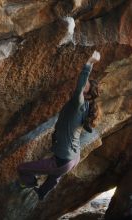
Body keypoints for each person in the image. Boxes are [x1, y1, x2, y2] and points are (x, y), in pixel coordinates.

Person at [17, 50, 101, 200]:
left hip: (64, 160)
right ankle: (41, 193)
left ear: (87, 93)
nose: (83, 84)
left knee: (22, 168)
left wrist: (89, 63)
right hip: (73, 159)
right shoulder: (87, 106)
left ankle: (29, 184)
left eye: (86, 85)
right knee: (55, 176)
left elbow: (80, 83)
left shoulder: (79, 103)